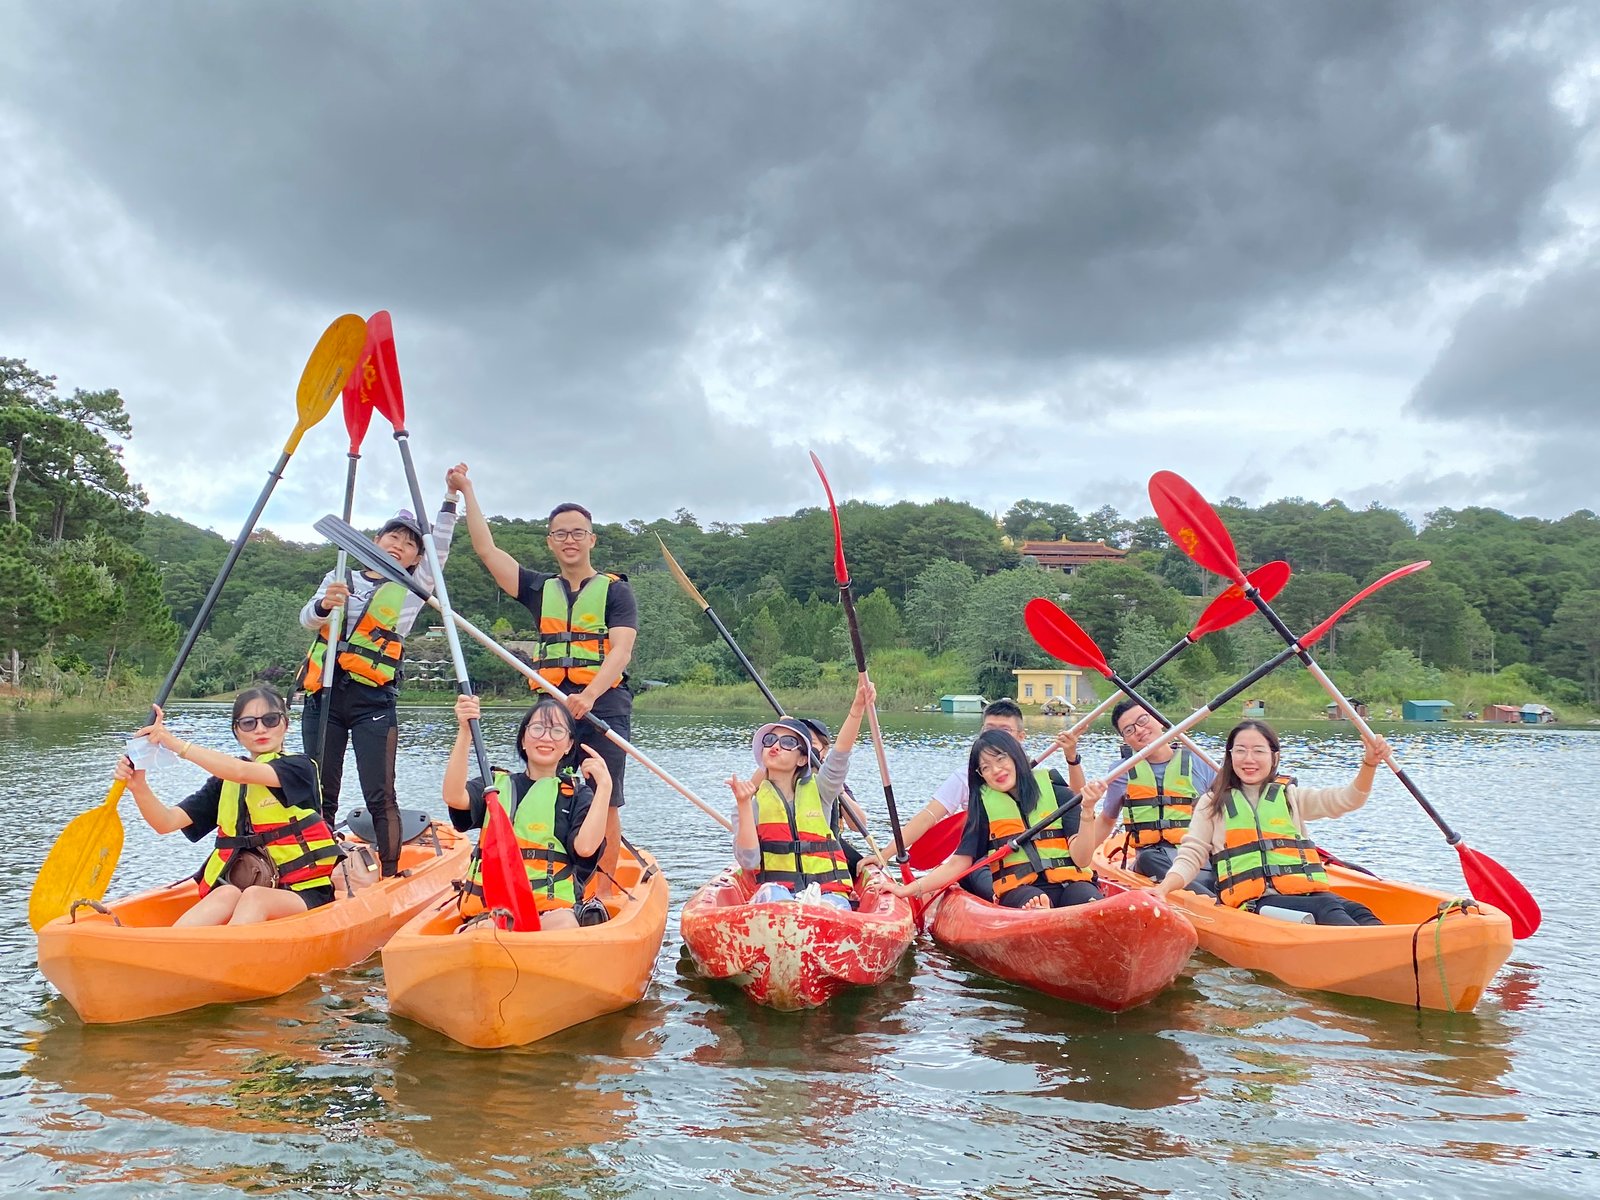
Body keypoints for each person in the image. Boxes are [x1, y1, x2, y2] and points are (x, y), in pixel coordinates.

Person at [449, 464, 635, 897]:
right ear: (550, 541)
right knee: (550, 789)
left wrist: (588, 695)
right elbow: (486, 550)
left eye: (577, 532)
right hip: (552, 704)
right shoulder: (537, 587)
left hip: (602, 702)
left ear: (591, 539)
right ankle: (552, 883)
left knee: (604, 793)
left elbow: (621, 651)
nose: (569, 539)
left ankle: (601, 895)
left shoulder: (616, 592)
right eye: (560, 533)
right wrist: (467, 493)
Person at [298, 480, 459, 876]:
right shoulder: (340, 575)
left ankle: (389, 872)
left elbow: (439, 548)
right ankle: (315, 870)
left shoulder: (412, 588)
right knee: (320, 790)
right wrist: (324, 604)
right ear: (375, 540)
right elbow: (307, 619)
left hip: (373, 702)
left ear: (414, 559)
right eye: (393, 536)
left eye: (409, 544)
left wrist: (450, 500)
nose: (399, 546)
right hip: (324, 697)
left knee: (380, 793)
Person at [112, 687, 340, 926]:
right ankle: (170, 948)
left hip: (303, 892)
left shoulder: (299, 768)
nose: (261, 729)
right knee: (226, 892)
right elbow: (166, 822)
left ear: (285, 724)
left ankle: (227, 956)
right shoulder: (225, 783)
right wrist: (138, 786)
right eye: (248, 723)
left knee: (255, 898)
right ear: (237, 732)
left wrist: (176, 744)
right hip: (245, 888)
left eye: (270, 720)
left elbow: (241, 771)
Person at [1142, 720, 1388, 926]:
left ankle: (1394, 957)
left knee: (1359, 912)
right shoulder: (1212, 803)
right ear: (1230, 755)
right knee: (1328, 907)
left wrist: (1369, 765)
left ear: (1274, 756)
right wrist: (1164, 888)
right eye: (1240, 750)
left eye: (1258, 750)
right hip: (1257, 903)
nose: (1248, 759)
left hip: (1307, 893)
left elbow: (1347, 800)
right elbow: (1191, 855)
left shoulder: (1290, 795)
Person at [443, 693, 612, 930]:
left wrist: (604, 787)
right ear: (523, 739)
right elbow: (453, 796)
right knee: (487, 931)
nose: (546, 737)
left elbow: (585, 848)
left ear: (568, 746)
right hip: (492, 914)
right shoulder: (494, 785)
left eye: (557, 731)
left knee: (565, 924)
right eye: (537, 728)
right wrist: (465, 732)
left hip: (551, 914)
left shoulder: (576, 795)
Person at [886, 729, 1098, 911]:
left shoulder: (1058, 793)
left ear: (1015, 756)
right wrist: (909, 889)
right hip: (1020, 890)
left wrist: (1087, 812)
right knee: (1031, 898)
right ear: (981, 775)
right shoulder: (984, 808)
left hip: (1072, 880)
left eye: (1000, 759)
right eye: (985, 767)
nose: (996, 770)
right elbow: (959, 863)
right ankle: (1040, 917)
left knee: (1085, 895)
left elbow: (1082, 860)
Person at [728, 679, 874, 909]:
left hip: (827, 894)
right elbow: (749, 860)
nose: (775, 746)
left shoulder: (822, 788)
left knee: (827, 907)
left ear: (803, 758)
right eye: (769, 741)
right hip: (777, 893)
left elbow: (839, 756)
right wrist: (744, 805)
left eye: (787, 742)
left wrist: (856, 710)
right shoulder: (750, 802)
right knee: (775, 897)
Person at [1069, 699, 1219, 896]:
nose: (1139, 730)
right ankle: (1209, 899)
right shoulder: (1120, 772)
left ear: (1158, 720)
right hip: (1152, 858)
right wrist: (1080, 856)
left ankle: (1218, 894)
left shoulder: (1200, 763)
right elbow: (1107, 819)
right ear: (1125, 739)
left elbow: (1226, 810)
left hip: (1196, 856)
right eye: (1129, 730)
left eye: (1143, 720)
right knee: (1149, 858)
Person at [898, 698, 1085, 848]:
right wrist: (886, 855)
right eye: (990, 730)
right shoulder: (965, 776)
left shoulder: (1040, 775)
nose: (997, 737)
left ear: (1021, 737)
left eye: (1005, 730)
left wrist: (1071, 757)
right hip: (989, 859)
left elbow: (1077, 803)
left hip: (1040, 856)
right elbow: (927, 817)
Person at [796, 715, 886, 892]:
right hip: (793, 850)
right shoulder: (782, 779)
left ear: (824, 750)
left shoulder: (834, 783)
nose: (805, 747)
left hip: (827, 848)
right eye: (800, 741)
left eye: (811, 742)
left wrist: (839, 790)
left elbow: (858, 825)